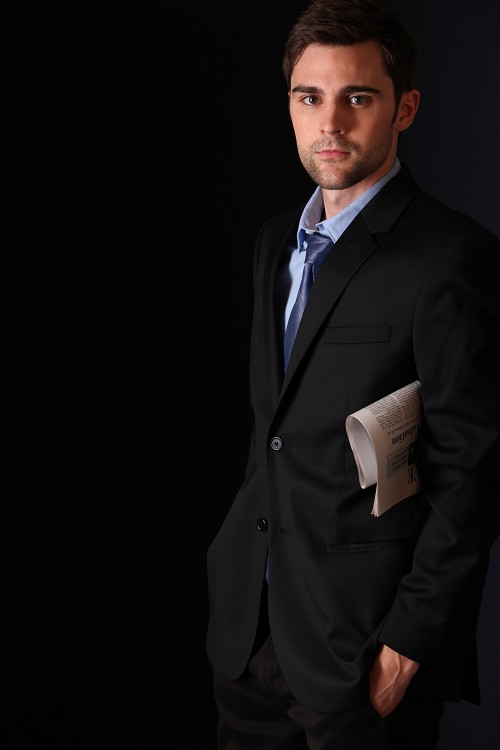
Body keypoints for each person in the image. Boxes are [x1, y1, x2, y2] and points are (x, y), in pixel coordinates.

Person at [205, 0, 500, 747]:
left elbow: (475, 470)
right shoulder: (276, 241)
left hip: (363, 649)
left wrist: (408, 645)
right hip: (250, 633)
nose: (329, 122)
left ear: (405, 109)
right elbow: (275, 435)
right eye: (310, 97)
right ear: (290, 106)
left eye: (358, 98)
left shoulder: (451, 257)